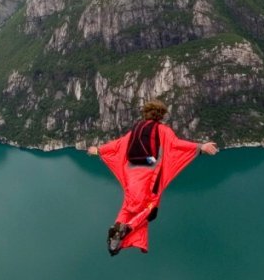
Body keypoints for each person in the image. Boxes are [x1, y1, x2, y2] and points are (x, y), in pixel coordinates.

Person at [87, 99, 218, 255]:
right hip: (149, 177)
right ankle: (126, 229)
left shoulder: (135, 130)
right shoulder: (162, 130)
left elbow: (117, 145)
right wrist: (200, 147)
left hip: (131, 173)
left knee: (128, 205)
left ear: (145, 113)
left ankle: (116, 228)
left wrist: (98, 150)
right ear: (160, 115)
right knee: (150, 210)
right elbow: (176, 144)